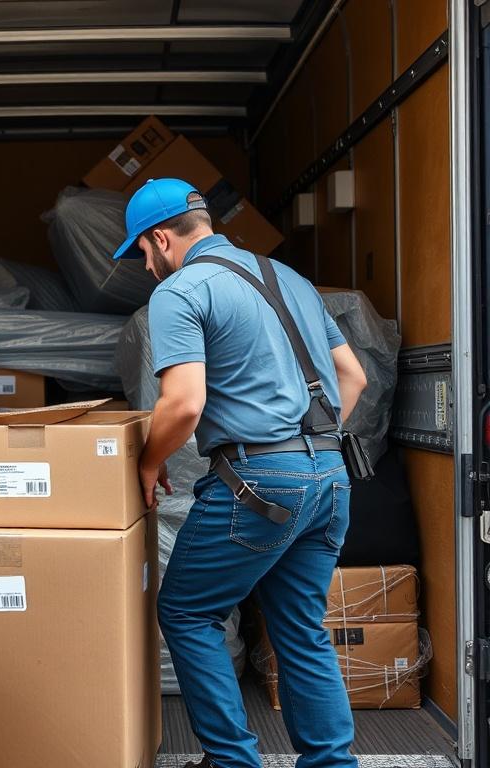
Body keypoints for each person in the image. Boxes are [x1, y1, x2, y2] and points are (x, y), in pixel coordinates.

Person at [112, 178, 368, 768]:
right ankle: (331, 763)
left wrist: (147, 463)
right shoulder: (292, 281)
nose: (146, 267)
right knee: (300, 627)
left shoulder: (181, 291)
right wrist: (306, 446)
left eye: (142, 255)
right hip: (329, 476)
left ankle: (232, 761)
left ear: (159, 240)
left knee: (186, 610)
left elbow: (182, 403)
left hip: (258, 485)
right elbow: (352, 377)